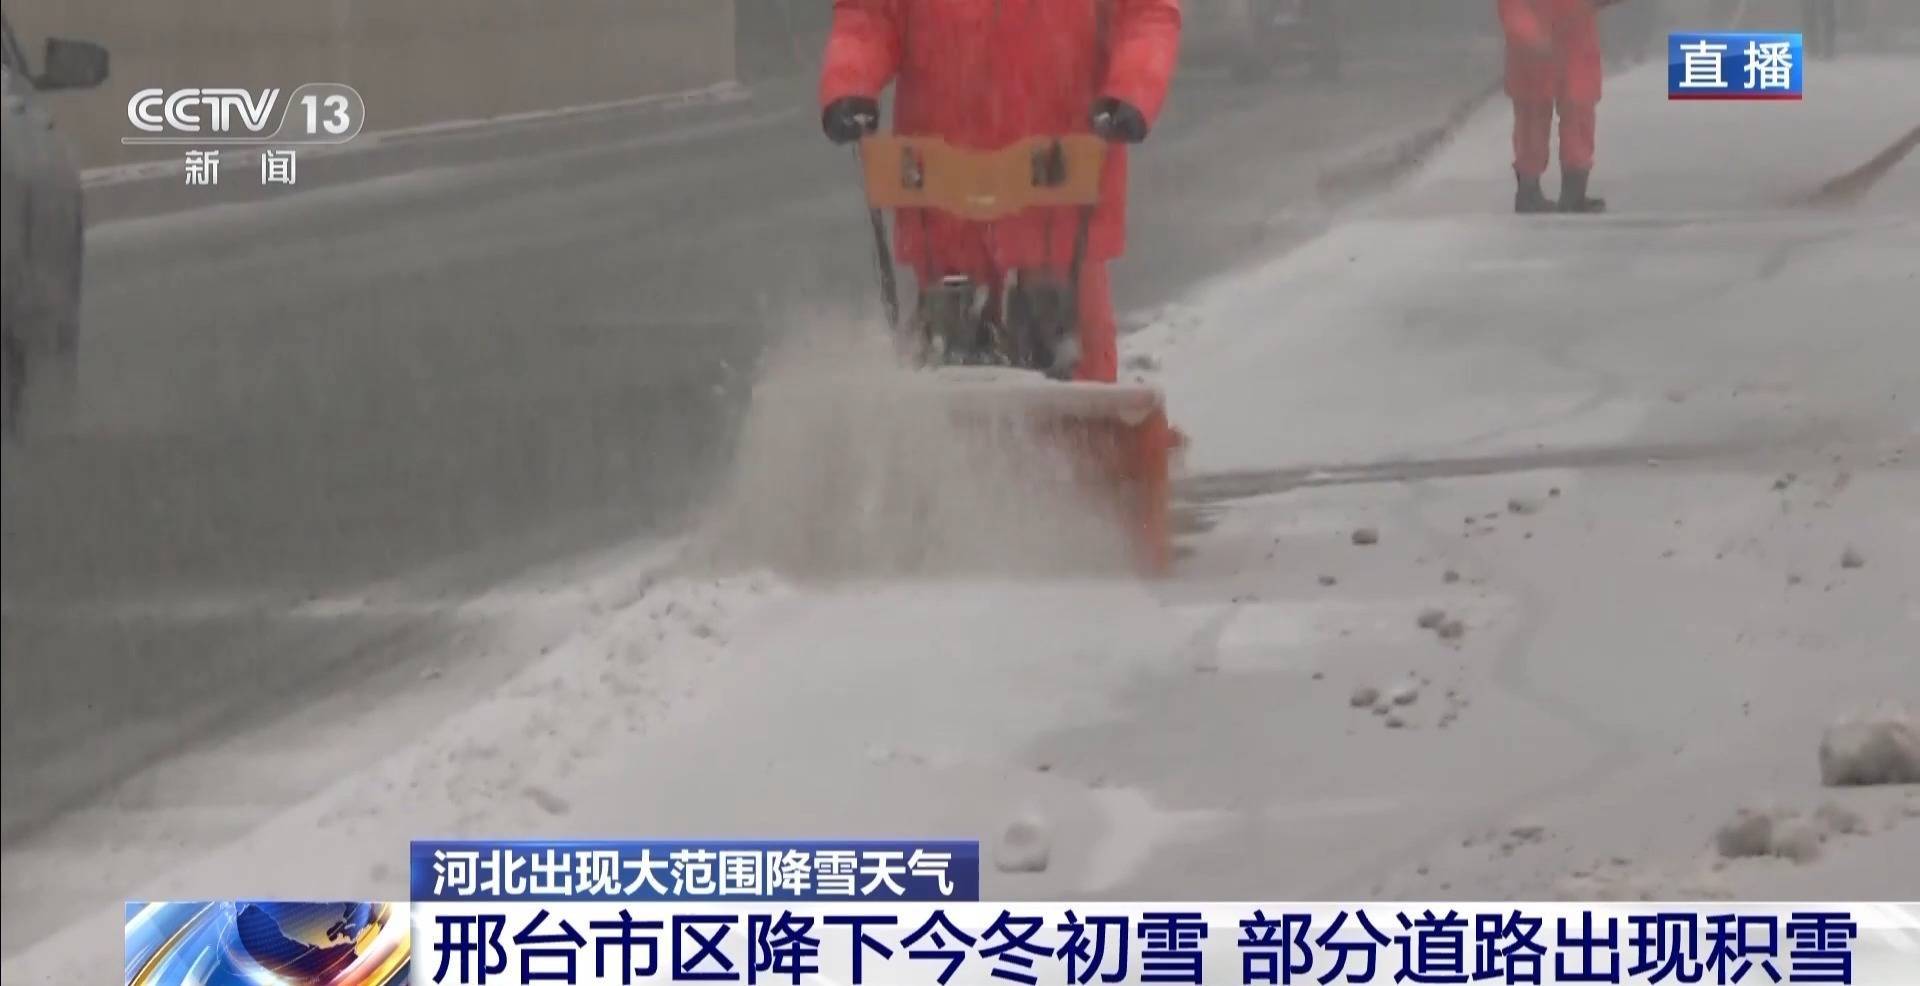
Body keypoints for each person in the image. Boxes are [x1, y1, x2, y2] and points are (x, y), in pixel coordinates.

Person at [817, 0, 1182, 383]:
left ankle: (1087, 416)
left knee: (1076, 365)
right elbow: (870, 17)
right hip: (953, 205)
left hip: (1054, 206)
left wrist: (1132, 88)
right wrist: (850, 82)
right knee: (946, 361)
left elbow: (1146, 15)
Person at [1499, 0, 1619, 214]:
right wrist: (1530, 38)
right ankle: (1530, 190)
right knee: (1533, 116)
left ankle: (1572, 192)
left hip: (1574, 40)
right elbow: (1512, 7)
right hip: (1534, 48)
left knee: (1578, 110)